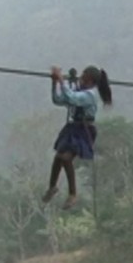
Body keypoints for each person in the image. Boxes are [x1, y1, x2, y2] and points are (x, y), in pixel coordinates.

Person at [42, 65, 112, 210]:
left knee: (66, 158)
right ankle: (52, 187)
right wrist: (55, 83)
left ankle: (73, 194)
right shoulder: (79, 92)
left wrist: (62, 81)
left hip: (83, 129)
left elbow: (72, 98)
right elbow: (59, 100)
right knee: (58, 157)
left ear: (90, 80)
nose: (80, 77)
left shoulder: (90, 95)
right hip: (72, 128)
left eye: (83, 76)